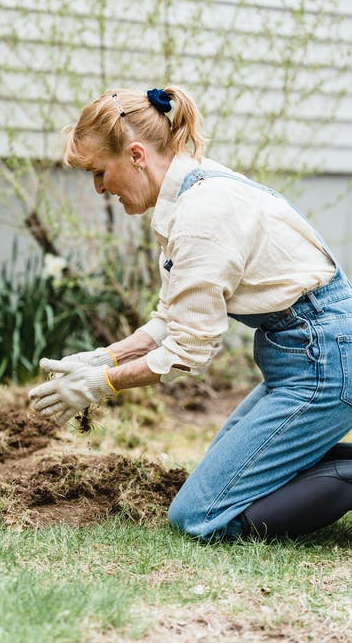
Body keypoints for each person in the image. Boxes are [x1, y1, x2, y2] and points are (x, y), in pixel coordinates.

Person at [28, 86, 352, 540]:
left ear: (137, 155)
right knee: (228, 478)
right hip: (308, 354)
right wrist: (105, 358)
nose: (99, 188)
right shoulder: (189, 192)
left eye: (100, 172)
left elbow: (189, 350)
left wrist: (100, 386)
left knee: (201, 515)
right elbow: (171, 320)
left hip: (324, 363)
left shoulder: (202, 213)